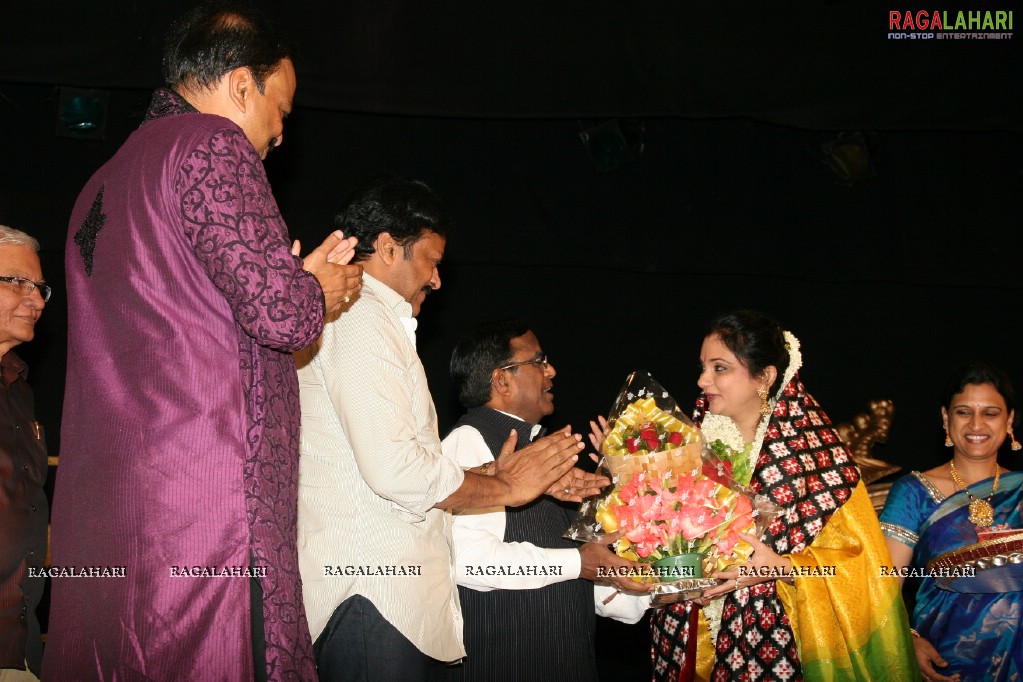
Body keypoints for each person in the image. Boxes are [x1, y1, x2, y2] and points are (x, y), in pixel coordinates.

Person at [44, 5, 362, 680]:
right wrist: (318, 288)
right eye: (282, 108)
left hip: (110, 510)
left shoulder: (98, 185)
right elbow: (281, 315)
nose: (280, 135)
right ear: (243, 85)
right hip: (204, 502)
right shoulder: (211, 145)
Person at [295, 176, 601, 681]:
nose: (437, 281)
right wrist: (506, 485)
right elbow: (396, 471)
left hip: (389, 600)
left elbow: (397, 463)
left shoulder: (375, 324)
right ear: (389, 248)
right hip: (373, 593)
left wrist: (510, 473)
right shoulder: (358, 318)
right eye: (431, 261)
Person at [650, 310, 918, 681]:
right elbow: (661, 548)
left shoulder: (818, 462)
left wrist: (785, 568)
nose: (701, 380)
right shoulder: (687, 450)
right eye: (702, 367)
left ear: (766, 376)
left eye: (719, 368)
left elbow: (864, 568)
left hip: (779, 647)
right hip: (690, 642)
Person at [443, 318, 651, 682]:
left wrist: (639, 580)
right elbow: (470, 564)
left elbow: (568, 573)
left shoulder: (541, 451)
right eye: (538, 361)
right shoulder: (470, 442)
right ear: (502, 379)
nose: (551, 370)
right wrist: (579, 563)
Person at [880, 362, 1023, 682]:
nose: (976, 424)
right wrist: (909, 639)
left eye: (990, 413)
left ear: (1009, 420)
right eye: (963, 412)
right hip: (947, 661)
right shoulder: (913, 492)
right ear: (946, 417)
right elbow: (883, 584)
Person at [0, 226, 49, 682]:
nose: (36, 300)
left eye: (39, 287)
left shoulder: (19, 391)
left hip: (20, 649)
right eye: (17, 282)